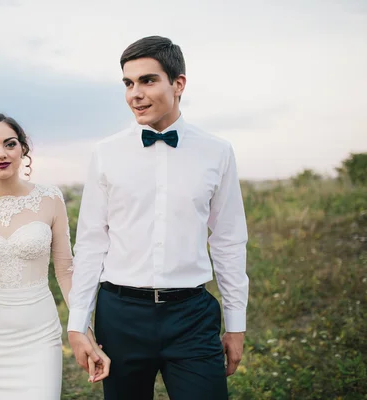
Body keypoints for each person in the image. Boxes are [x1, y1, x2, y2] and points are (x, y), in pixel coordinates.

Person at [67, 36, 249, 400]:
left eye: (148, 81)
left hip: (192, 317)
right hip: (120, 317)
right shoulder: (105, 154)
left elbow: (228, 240)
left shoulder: (217, 152)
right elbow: (90, 243)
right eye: (128, 83)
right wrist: (77, 325)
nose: (135, 93)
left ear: (178, 84)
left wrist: (236, 324)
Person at [0, 113, 109, 399]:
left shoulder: (50, 199)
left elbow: (65, 270)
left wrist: (83, 328)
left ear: (23, 149)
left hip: (37, 331)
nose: (1, 153)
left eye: (9, 144)